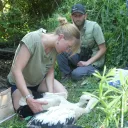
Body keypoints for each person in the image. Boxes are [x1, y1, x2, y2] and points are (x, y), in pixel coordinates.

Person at [7, 17, 80, 116]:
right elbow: (16, 70)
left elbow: (50, 71)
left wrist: (51, 95)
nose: (68, 51)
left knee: (62, 94)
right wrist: (28, 98)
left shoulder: (55, 48)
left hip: (38, 81)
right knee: (24, 111)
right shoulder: (33, 39)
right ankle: (31, 96)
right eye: (69, 47)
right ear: (61, 37)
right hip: (20, 82)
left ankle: (39, 96)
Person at [57, 3, 106, 81]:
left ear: (85, 16)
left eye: (80, 15)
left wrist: (87, 62)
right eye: (75, 16)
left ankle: (94, 71)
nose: (77, 18)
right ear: (71, 17)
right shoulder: (70, 29)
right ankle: (67, 76)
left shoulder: (94, 26)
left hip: (93, 61)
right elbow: (67, 46)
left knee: (76, 74)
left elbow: (103, 49)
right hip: (79, 57)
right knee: (61, 50)